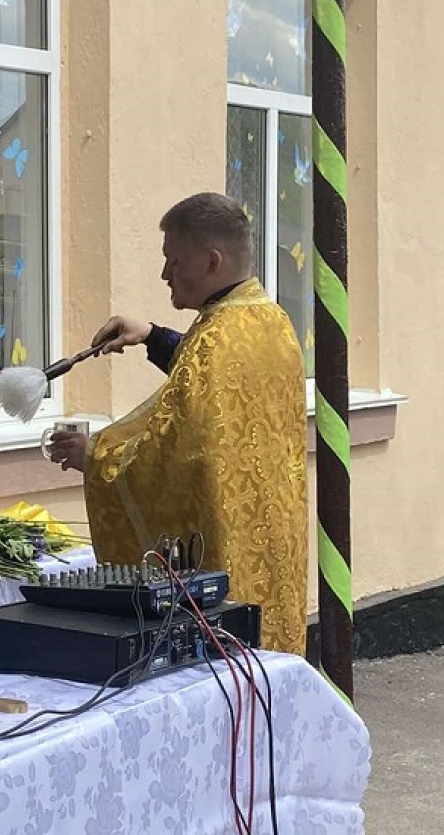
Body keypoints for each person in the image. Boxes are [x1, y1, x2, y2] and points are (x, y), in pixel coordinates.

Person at [47, 192, 308, 654]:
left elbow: (174, 449)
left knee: (226, 685)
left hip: (224, 557)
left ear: (212, 261)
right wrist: (151, 336)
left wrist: (94, 455)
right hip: (271, 546)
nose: (164, 273)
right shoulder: (269, 321)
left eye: (172, 260)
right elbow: (212, 393)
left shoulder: (217, 338)